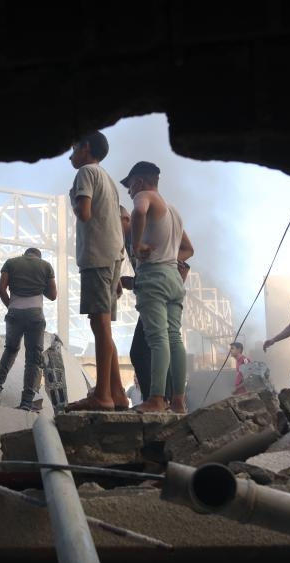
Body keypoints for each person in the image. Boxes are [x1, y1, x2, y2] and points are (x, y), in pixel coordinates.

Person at [64, 131, 129, 411]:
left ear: (85, 147)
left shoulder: (85, 174)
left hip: (96, 257)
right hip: (112, 257)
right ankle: (117, 394)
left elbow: (85, 213)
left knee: (100, 325)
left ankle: (102, 396)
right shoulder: (109, 180)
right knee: (101, 325)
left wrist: (72, 199)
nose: (70, 154)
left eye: (73, 147)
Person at [121, 161, 192, 413]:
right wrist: (166, 254)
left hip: (153, 279)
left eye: (129, 186)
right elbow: (189, 249)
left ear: (139, 181)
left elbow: (139, 211)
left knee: (157, 338)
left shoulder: (144, 195)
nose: (129, 192)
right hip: (173, 277)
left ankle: (156, 398)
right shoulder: (173, 211)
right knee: (174, 338)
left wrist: (137, 246)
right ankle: (179, 401)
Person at [0, 248, 57, 410]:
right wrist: (39, 283)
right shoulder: (45, 266)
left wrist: (12, 307)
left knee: (10, 350)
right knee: (33, 358)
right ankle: (27, 402)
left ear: (25, 254)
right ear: (38, 256)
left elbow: (1, 289)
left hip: (14, 313)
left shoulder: (11, 263)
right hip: (35, 315)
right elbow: (53, 295)